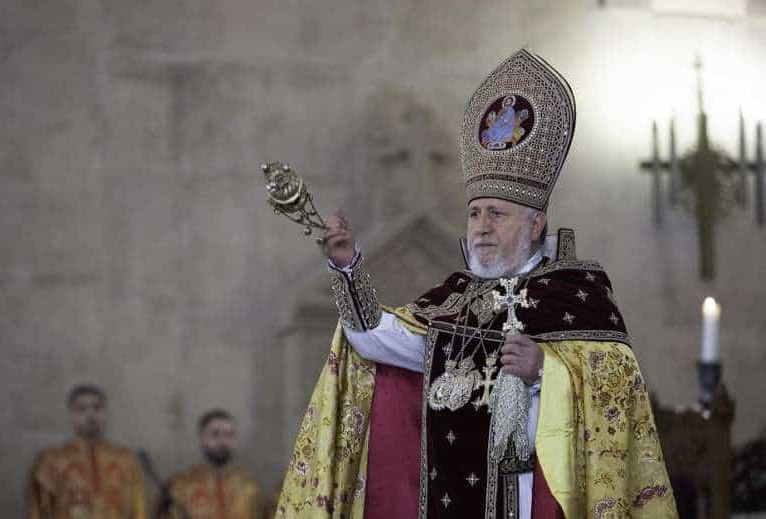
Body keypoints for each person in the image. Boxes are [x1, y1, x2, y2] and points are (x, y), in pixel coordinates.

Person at [276, 49, 677, 518]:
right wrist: (347, 268)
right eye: (474, 214)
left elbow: (618, 389)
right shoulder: (455, 299)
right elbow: (378, 341)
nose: (481, 227)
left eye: (497, 214)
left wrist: (545, 369)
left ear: (535, 224)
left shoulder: (579, 294)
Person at [26, 384, 147, 519]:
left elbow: (138, 508)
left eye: (97, 407)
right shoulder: (52, 460)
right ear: (71, 414)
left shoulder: (125, 459)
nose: (91, 414)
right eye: (82, 409)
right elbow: (38, 510)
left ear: (105, 413)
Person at [158, 409, 264, 519]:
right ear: (201, 438)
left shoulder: (249, 487)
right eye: (215, 434)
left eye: (229, 435)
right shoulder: (180, 487)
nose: (223, 442)